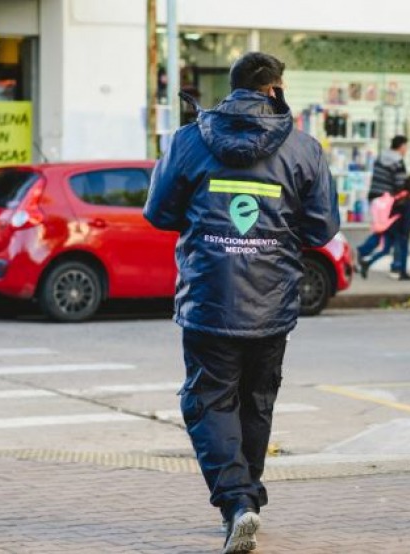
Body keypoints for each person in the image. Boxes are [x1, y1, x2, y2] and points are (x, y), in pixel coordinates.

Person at [143, 52, 339, 554]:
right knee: (256, 401)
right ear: (275, 89)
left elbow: (159, 212)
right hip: (272, 301)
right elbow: (321, 228)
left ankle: (238, 503)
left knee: (209, 400)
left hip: (209, 297)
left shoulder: (189, 141)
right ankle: (245, 498)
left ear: (232, 90)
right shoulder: (303, 148)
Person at [357, 135, 410, 280]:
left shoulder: (380, 157)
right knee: (395, 232)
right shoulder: (398, 162)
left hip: (375, 198)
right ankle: (397, 266)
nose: (406, 150)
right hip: (388, 201)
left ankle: (363, 253)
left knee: (383, 229)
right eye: (405, 147)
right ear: (401, 146)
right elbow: (400, 185)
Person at [358, 176, 410, 277]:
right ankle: (403, 272)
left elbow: (391, 213)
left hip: (390, 228)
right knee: (403, 251)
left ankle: (368, 262)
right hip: (401, 231)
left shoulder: (399, 197)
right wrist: (406, 233)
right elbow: (408, 219)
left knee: (385, 250)